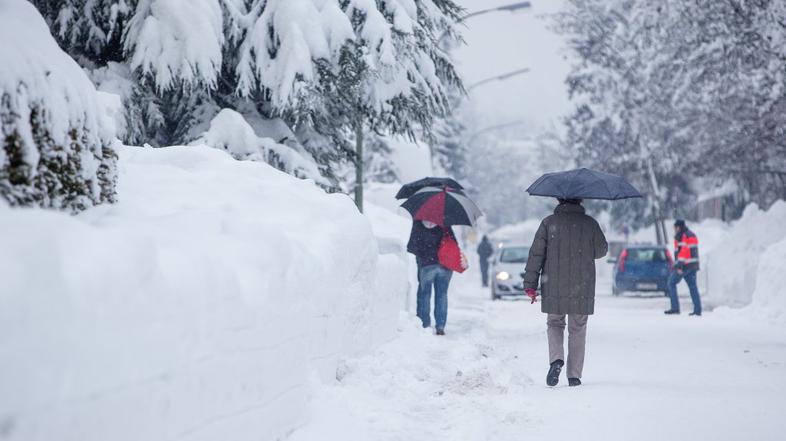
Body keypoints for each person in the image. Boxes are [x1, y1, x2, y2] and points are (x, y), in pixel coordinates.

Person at [523, 198, 608, 387]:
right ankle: (574, 375)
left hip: (554, 283)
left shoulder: (548, 223)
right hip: (582, 284)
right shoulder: (590, 223)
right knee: (577, 329)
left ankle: (556, 360)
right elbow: (601, 251)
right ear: (580, 201)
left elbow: (536, 254)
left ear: (559, 200)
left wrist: (530, 284)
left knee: (555, 323)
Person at [406, 220, 458, 335]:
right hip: (444, 266)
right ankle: (440, 325)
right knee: (442, 295)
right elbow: (453, 243)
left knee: (424, 294)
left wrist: (422, 257)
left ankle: (424, 324)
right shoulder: (444, 222)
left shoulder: (418, 222)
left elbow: (412, 246)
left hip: (427, 265)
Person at [664, 219, 702, 316]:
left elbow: (684, 252)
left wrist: (679, 266)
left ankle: (675, 308)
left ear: (678, 227)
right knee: (693, 287)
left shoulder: (683, 236)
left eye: (675, 227)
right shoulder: (691, 234)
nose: (674, 229)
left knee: (671, 283)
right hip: (693, 266)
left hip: (685, 266)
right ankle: (697, 310)